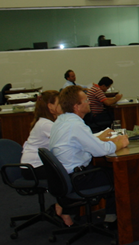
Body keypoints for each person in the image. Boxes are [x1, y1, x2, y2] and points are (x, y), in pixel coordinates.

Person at [49, 86, 129, 225]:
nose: (89, 102)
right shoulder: (75, 125)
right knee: (121, 174)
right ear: (77, 107)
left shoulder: (61, 121)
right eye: (86, 100)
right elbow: (101, 151)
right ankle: (115, 220)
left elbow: (82, 142)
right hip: (78, 179)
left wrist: (100, 139)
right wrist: (120, 143)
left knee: (107, 170)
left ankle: (110, 214)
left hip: (64, 177)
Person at [19, 90, 75, 226]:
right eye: (59, 103)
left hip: (35, 165)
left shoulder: (47, 121)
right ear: (50, 106)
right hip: (33, 168)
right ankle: (63, 209)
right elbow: (68, 140)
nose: (62, 106)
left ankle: (62, 205)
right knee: (70, 172)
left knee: (69, 169)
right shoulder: (46, 124)